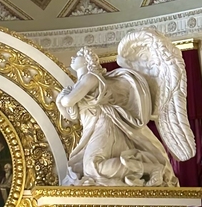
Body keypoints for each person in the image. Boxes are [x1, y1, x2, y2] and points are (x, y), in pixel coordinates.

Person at [56, 47, 177, 187]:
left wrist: (63, 98)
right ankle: (148, 169)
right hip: (92, 129)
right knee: (88, 168)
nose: (72, 57)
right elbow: (72, 116)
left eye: (78, 55)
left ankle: (151, 169)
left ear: (87, 61)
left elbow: (68, 101)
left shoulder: (91, 77)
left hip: (104, 125)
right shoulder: (79, 84)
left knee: (92, 167)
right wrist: (59, 101)